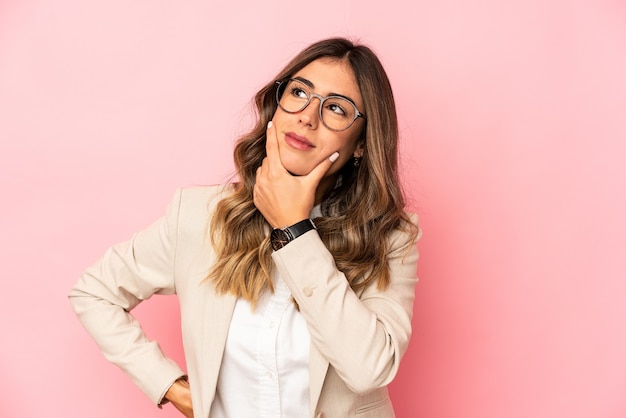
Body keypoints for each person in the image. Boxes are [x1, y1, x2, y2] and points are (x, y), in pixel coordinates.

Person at [69, 37, 421, 418]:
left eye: (336, 107)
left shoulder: (390, 237)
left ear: (361, 144)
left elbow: (369, 369)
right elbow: (94, 292)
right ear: (277, 106)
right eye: (299, 92)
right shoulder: (199, 215)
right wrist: (169, 386)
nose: (307, 115)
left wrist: (294, 229)